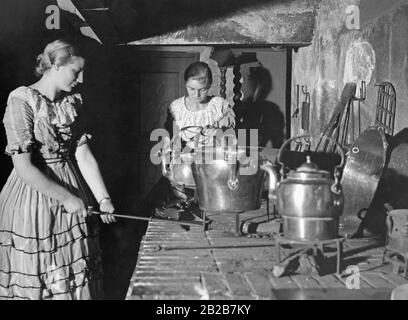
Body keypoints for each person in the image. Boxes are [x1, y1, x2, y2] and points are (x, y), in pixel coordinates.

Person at [0, 40, 115, 300]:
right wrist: (65, 197)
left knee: (72, 274)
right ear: (54, 65)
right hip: (32, 198)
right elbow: (23, 167)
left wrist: (103, 198)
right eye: (76, 71)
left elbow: (83, 154)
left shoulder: (73, 101)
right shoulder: (22, 100)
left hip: (71, 191)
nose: (81, 79)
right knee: (40, 274)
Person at [152, 61, 235, 216]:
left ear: (209, 85)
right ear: (185, 84)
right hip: (184, 170)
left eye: (202, 90)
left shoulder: (219, 105)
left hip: (214, 169)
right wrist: (164, 146)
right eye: (192, 89)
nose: (196, 95)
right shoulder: (176, 107)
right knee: (178, 208)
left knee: (213, 213)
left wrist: (218, 129)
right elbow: (168, 134)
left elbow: (230, 132)